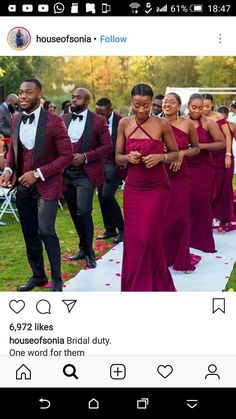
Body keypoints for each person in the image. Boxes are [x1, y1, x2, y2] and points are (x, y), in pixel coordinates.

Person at [0, 78, 73, 291]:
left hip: (48, 185)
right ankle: (38, 275)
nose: (23, 96)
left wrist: (39, 173)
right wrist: (8, 170)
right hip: (23, 186)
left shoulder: (54, 121)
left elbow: (67, 156)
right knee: (29, 232)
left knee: (45, 230)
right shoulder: (16, 118)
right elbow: (13, 150)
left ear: (39, 94)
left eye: (28, 92)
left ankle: (57, 279)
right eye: (21, 92)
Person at [116, 83, 179, 291]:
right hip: (133, 188)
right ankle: (138, 284)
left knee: (147, 236)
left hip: (157, 188)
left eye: (146, 105)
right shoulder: (124, 123)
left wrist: (161, 156)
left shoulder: (162, 124)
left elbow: (175, 154)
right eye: (137, 105)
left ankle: (152, 282)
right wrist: (128, 157)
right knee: (134, 238)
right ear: (131, 103)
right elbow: (117, 157)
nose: (141, 110)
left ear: (152, 103)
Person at [63, 87, 113, 268]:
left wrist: (85, 157)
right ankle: (83, 247)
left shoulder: (98, 121)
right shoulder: (65, 119)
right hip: (66, 173)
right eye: (73, 97)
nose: (74, 100)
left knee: (84, 211)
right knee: (75, 212)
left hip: (86, 174)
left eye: (78, 98)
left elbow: (107, 146)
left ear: (87, 101)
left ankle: (90, 252)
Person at [162, 93, 200, 272]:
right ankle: (162, 255)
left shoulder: (187, 124)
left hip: (180, 175)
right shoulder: (154, 123)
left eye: (171, 102)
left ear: (179, 106)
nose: (167, 104)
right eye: (165, 101)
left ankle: (181, 258)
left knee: (180, 216)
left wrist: (182, 153)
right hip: (159, 174)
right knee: (161, 217)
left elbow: (196, 148)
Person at [185, 93, 225, 253]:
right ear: (188, 106)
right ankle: (184, 238)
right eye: (194, 107)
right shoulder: (181, 121)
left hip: (203, 167)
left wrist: (201, 146)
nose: (197, 111)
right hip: (184, 166)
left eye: (200, 108)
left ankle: (202, 240)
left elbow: (221, 143)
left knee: (202, 201)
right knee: (184, 202)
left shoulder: (208, 123)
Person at [95, 97, 126, 244]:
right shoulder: (96, 121)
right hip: (100, 163)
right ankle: (110, 228)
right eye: (97, 113)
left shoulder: (121, 121)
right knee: (101, 195)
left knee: (107, 194)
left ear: (110, 109)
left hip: (116, 163)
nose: (100, 117)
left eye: (103, 114)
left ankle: (123, 229)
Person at [202, 94, 232, 233]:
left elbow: (227, 136)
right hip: (204, 157)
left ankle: (221, 219)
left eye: (208, 106)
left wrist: (228, 155)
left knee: (221, 188)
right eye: (202, 106)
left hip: (221, 157)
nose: (205, 109)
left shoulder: (218, 117)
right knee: (207, 188)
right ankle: (206, 217)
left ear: (212, 104)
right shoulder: (195, 118)